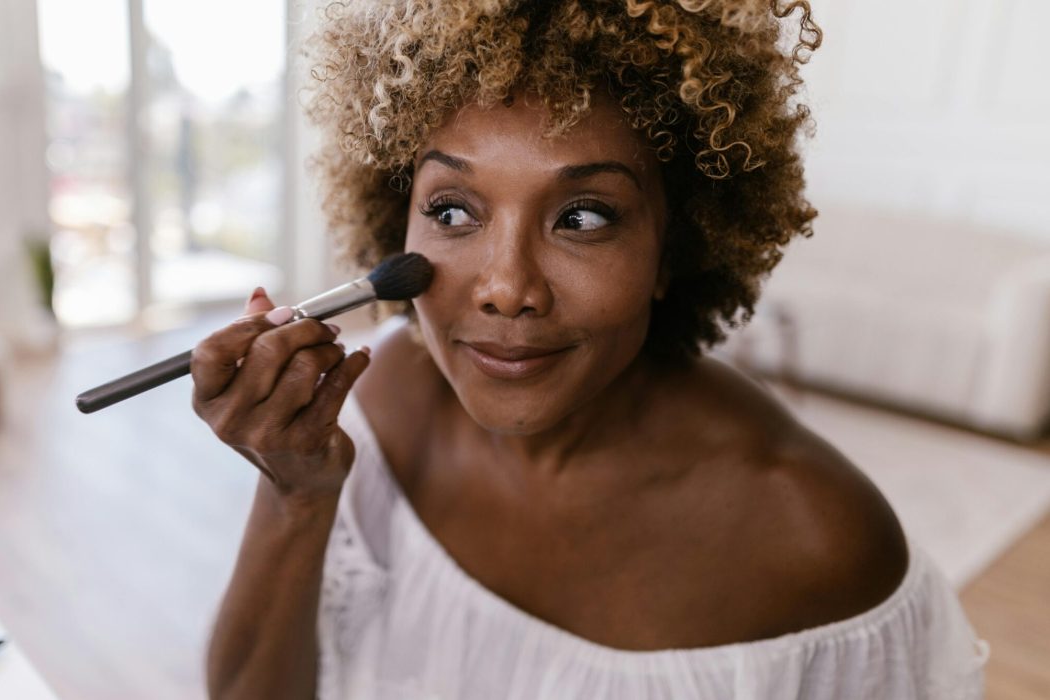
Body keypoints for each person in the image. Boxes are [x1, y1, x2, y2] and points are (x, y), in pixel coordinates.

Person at [198, 0, 989, 698]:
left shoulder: (816, 541)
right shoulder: (377, 407)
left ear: (671, 252)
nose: (506, 287)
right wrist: (296, 495)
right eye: (452, 210)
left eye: (582, 217)